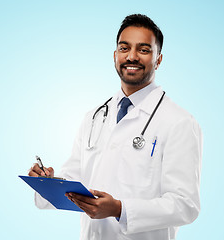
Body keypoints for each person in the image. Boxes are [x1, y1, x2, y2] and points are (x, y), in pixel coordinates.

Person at [28, 13, 203, 240]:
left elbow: (185, 205)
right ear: (114, 55)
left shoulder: (179, 122)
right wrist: (48, 183)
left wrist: (120, 209)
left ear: (158, 59)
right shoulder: (93, 117)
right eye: (124, 48)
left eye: (143, 49)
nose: (132, 56)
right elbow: (74, 180)